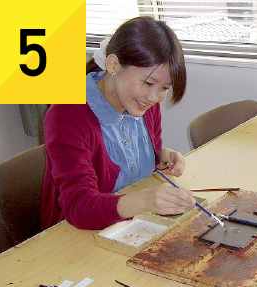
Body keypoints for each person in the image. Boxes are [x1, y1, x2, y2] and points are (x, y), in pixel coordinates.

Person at [41, 17, 196, 230]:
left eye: (164, 88)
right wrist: (145, 201)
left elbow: (128, 157)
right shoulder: (66, 115)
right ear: (113, 65)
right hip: (73, 235)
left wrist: (159, 155)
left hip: (128, 226)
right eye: (148, 83)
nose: (154, 97)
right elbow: (79, 207)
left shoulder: (143, 102)